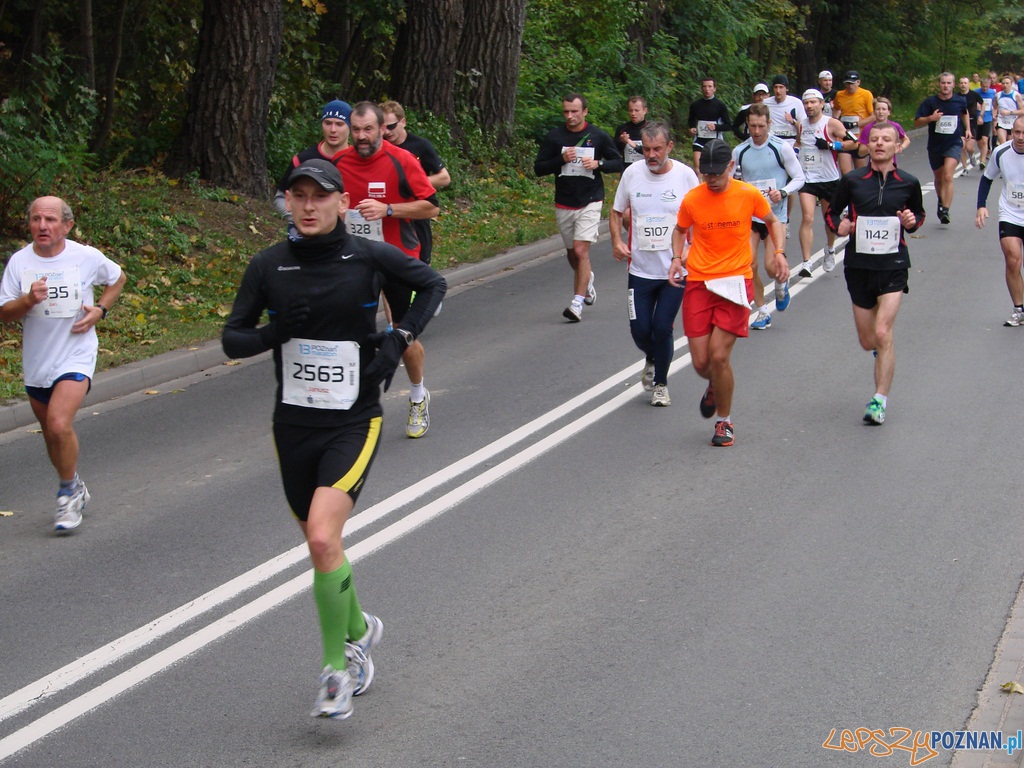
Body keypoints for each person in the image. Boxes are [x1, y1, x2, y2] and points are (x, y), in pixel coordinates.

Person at [222, 159, 446, 720]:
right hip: (293, 424)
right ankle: (359, 626)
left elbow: (432, 284)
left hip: (354, 418)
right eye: (297, 196)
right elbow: (232, 340)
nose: (307, 206)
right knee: (322, 547)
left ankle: (334, 672)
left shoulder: (368, 256)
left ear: (342, 203)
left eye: (319, 196)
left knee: (323, 537)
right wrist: (276, 331)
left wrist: (399, 337)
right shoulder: (269, 264)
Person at [0, 196, 126, 532]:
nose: (42, 226)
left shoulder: (85, 257)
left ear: (67, 225)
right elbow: (5, 313)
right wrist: (28, 299)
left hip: (76, 354)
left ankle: (67, 493)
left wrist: (100, 310)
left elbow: (117, 278)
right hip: (38, 361)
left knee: (58, 423)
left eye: (51, 220)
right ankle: (74, 484)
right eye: (36, 219)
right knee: (51, 434)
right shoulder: (19, 262)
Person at [669, 139, 790, 446]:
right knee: (701, 363)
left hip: (735, 282)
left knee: (719, 356)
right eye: (706, 173)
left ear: (731, 167)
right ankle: (715, 384)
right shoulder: (693, 199)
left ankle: (724, 421)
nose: (711, 179)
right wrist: (676, 258)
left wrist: (779, 252)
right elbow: (680, 230)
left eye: (717, 173)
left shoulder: (747, 194)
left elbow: (773, 221)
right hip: (699, 283)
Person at [336, 102, 440, 438]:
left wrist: (389, 209)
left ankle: (418, 395)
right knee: (349, 333)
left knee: (402, 332)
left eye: (368, 129)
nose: (362, 136)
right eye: (356, 130)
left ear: (382, 128)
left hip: (397, 259)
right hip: (356, 261)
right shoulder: (338, 163)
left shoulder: (402, 160)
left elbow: (431, 208)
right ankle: (352, 405)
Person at [824, 124, 925, 425]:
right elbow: (831, 212)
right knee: (868, 340)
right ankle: (881, 352)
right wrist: (840, 226)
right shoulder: (853, 180)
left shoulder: (908, 182)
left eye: (887, 140)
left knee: (883, 332)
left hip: (893, 264)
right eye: (875, 139)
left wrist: (911, 221)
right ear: (867, 146)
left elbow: (918, 215)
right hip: (859, 266)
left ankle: (879, 400)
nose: (880, 144)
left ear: (896, 146)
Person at [609, 121, 699, 406]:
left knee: (662, 328)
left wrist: (691, 248)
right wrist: (616, 241)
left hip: (675, 270)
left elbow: (700, 216)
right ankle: (652, 356)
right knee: (639, 330)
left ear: (669, 146)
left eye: (657, 149)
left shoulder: (685, 176)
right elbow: (615, 212)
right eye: (646, 149)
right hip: (640, 270)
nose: (651, 155)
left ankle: (661, 384)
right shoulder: (632, 174)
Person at [534, 92, 624, 322]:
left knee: (581, 250)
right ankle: (587, 279)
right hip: (564, 201)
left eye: (574, 111)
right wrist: (561, 160)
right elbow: (539, 168)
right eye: (566, 112)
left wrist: (598, 163)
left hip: (590, 200)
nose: (570, 116)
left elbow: (617, 162)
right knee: (572, 254)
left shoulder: (598, 136)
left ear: (584, 111)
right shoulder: (555, 137)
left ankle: (577, 304)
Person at [732, 103, 805, 329]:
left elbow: (799, 178)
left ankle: (782, 283)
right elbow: (732, 181)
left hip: (775, 216)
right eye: (752, 126)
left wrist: (782, 192)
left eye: (761, 126)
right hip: (751, 218)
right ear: (747, 123)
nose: (756, 131)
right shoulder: (740, 151)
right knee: (749, 264)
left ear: (769, 124)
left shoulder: (781, 148)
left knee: (772, 268)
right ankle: (762, 311)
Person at [379, 100, 451, 266]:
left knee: (421, 266)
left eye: (391, 126)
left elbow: (444, 178)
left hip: (416, 213)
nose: (387, 132)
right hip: (389, 216)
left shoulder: (420, 145)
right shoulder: (379, 147)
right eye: (383, 128)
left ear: (403, 122)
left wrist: (412, 184)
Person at [796, 88, 857, 276]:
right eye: (806, 103)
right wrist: (793, 155)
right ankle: (806, 262)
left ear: (822, 104)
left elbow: (854, 142)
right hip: (808, 179)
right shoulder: (801, 125)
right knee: (807, 217)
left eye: (813, 102)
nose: (809, 106)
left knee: (829, 219)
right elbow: (799, 144)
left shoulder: (831, 123)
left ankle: (830, 249)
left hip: (829, 179)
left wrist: (831, 145)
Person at [273, 100, 352, 236]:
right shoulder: (303, 160)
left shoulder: (359, 161)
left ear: (350, 127)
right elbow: (280, 198)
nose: (333, 130)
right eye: (328, 123)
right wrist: (299, 219)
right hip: (307, 237)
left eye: (339, 124)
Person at [976, 116, 1024, 327]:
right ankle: (1019, 309)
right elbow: (987, 178)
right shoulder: (1001, 152)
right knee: (1013, 259)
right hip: (1010, 213)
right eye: (1017, 132)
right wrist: (981, 205)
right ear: (1011, 131)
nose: (1020, 137)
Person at [914, 72, 970, 224]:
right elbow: (917, 122)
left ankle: (945, 210)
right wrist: (930, 118)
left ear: (953, 85)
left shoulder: (959, 100)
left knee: (947, 176)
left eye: (948, 83)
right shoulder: (930, 102)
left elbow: (964, 113)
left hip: (954, 143)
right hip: (935, 145)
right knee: (939, 178)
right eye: (943, 83)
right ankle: (941, 199)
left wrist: (967, 129)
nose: (946, 86)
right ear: (939, 84)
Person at [687, 77, 732, 179]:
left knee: (715, 171)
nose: (707, 89)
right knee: (698, 170)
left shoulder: (720, 105)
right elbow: (691, 120)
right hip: (699, 141)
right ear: (701, 88)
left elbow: (728, 125)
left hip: (715, 142)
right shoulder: (695, 105)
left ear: (714, 88)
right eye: (704, 86)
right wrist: (692, 128)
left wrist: (716, 127)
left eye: (710, 86)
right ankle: (700, 187)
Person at [832, 71, 874, 172]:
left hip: (860, 138)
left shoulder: (866, 94)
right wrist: (836, 120)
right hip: (844, 138)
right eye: (847, 83)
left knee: (860, 173)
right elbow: (836, 108)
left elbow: (873, 116)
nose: (850, 86)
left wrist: (855, 124)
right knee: (845, 173)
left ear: (858, 82)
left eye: (852, 83)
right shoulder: (840, 95)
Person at [959, 76, 984, 173]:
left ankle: (972, 154)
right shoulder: (956, 96)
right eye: (961, 83)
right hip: (960, 123)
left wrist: (980, 115)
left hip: (972, 122)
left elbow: (983, 103)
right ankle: (965, 168)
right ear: (958, 85)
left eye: (965, 83)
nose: (963, 85)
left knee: (969, 147)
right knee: (962, 146)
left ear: (969, 85)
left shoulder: (974, 94)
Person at [614, 96, 649, 165]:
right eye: (631, 110)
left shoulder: (652, 129)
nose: (633, 114)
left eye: (636, 110)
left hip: (647, 167)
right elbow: (614, 153)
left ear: (645, 110)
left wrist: (634, 145)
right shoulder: (622, 129)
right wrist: (622, 142)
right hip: (628, 167)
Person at [995, 75, 1024, 147]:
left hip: (1012, 123)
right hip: (1001, 122)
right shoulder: (998, 95)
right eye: (1003, 83)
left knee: (1010, 144)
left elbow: (1022, 111)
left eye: (1007, 83)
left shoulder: (1016, 95)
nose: (1005, 85)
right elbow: (994, 107)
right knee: (1003, 144)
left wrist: (1009, 112)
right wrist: (994, 116)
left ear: (1011, 84)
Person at [977, 76, 997, 168]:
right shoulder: (976, 92)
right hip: (977, 119)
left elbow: (995, 105)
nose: (985, 88)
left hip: (988, 119)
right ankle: (983, 152)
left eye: (987, 87)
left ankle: (982, 161)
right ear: (980, 85)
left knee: (985, 140)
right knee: (979, 141)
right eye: (983, 86)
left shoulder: (993, 93)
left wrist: (994, 114)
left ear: (989, 85)